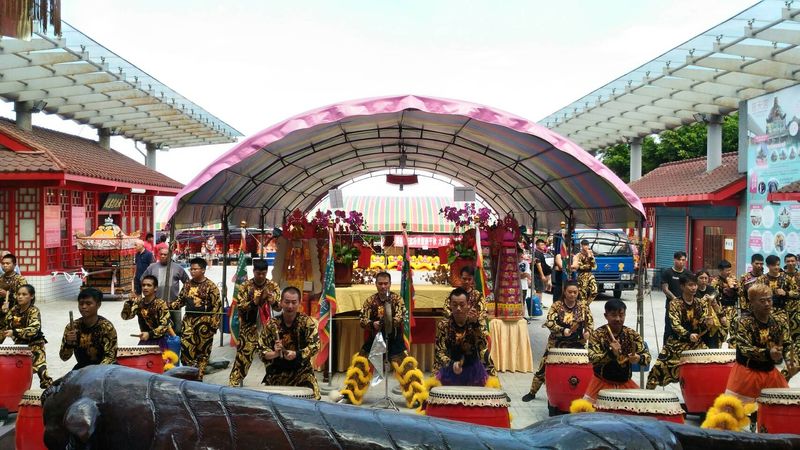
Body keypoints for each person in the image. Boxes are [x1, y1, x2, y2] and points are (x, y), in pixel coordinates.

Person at [339, 271, 423, 407]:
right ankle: (350, 394)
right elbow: (362, 320)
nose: (383, 286)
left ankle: (417, 397)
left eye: (386, 283)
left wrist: (389, 322)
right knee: (360, 364)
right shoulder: (370, 301)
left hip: (394, 338)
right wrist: (372, 324)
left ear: (390, 284)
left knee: (406, 367)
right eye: (380, 284)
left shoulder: (397, 300)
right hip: (375, 338)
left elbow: (401, 317)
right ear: (376, 284)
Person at [725, 284, 798, 404]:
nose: (767, 304)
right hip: (747, 372)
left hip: (770, 372)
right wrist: (769, 353)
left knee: (781, 408)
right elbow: (745, 348)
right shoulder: (743, 322)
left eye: (769, 300)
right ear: (752, 303)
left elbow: (787, 344)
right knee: (733, 410)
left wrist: (791, 362)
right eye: (762, 301)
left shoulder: (779, 321)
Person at [523, 281, 593, 402]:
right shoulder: (557, 305)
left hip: (577, 343)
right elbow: (549, 322)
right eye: (570, 292)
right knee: (543, 367)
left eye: (575, 292)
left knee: (584, 367)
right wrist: (562, 330)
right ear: (564, 292)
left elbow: (590, 323)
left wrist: (588, 332)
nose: (572, 294)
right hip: (557, 342)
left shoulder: (583, 307)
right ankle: (532, 392)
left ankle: (582, 393)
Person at [646, 273, 711, 389]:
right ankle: (648, 395)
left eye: (695, 285)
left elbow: (702, 322)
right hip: (676, 344)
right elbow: (675, 325)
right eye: (690, 285)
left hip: (696, 344)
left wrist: (707, 323)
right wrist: (688, 334)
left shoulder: (700, 303)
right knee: (656, 372)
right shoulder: (674, 304)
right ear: (682, 286)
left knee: (710, 364)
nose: (694, 288)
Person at [584, 299, 651, 403]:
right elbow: (592, 358)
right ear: (606, 316)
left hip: (625, 383)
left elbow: (647, 357)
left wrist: (638, 358)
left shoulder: (632, 334)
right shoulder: (597, 335)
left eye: (621, 315)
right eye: (614, 315)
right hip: (601, 383)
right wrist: (611, 354)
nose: (618, 319)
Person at [259, 286, 321, 399]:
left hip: (301, 371)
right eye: (287, 302)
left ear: (299, 303)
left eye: (294, 302)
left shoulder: (306, 322)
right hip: (277, 372)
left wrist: (297, 354)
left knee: (313, 400)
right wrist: (274, 353)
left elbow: (315, 345)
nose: (290, 306)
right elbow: (261, 349)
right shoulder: (272, 324)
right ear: (281, 302)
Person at [229, 259, 280, 387]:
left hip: (267, 329)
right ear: (253, 271)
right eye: (258, 273)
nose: (261, 276)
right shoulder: (245, 286)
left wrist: (272, 301)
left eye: (263, 273)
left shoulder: (273, 286)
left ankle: (274, 387)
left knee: (272, 360)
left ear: (267, 272)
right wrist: (254, 302)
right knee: (242, 360)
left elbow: (279, 308)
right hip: (248, 329)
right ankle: (232, 387)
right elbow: (240, 307)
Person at [169, 257, 222, 380]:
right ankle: (188, 376)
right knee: (186, 349)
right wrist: (166, 305)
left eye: (195, 269)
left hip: (205, 324)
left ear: (203, 270)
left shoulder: (211, 286)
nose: (192, 271)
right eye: (191, 269)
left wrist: (213, 326)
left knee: (202, 353)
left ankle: (199, 378)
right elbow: (180, 301)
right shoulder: (187, 284)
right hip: (189, 322)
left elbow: (217, 307)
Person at [433, 288, 495, 386]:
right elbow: (439, 352)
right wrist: (452, 364)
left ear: (468, 305)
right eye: (455, 305)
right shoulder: (444, 325)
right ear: (450, 305)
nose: (458, 308)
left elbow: (483, 346)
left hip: (473, 368)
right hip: (451, 367)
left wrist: (475, 324)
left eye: (462, 305)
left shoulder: (476, 322)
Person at [1, 285, 52, 388]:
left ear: (31, 296)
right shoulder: (14, 309)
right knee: (17, 371)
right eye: (18, 294)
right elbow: (4, 324)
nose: (20, 297)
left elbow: (34, 329)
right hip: (19, 345)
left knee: (42, 372)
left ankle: (51, 393)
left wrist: (14, 332)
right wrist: (3, 312)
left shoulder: (34, 311)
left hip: (35, 345)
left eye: (24, 294)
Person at [59, 287, 118, 370]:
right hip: (82, 368)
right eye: (81, 303)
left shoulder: (106, 327)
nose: (84, 307)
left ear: (98, 305)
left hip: (104, 369)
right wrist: (68, 343)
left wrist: (93, 373)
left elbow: (110, 357)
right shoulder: (72, 327)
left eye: (88, 303)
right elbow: (64, 357)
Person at [142, 247, 190, 334]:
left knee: (177, 328)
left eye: (165, 254)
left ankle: (176, 342)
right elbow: (143, 280)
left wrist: (181, 298)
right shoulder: (152, 267)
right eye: (161, 254)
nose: (163, 256)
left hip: (174, 304)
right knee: (157, 327)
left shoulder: (178, 268)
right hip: (155, 304)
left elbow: (188, 283)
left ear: (170, 255)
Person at [121, 275, 171, 348]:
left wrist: (149, 334)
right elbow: (125, 317)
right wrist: (129, 303)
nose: (145, 287)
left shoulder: (161, 304)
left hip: (160, 341)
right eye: (143, 285)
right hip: (145, 340)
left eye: (149, 285)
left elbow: (165, 326)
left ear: (155, 288)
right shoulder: (139, 303)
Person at [660, 251, 687, 343]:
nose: (681, 262)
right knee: (669, 328)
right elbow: (665, 289)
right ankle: (666, 348)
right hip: (671, 306)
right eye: (679, 260)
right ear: (674, 260)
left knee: (683, 328)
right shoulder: (667, 272)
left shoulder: (688, 273)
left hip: (685, 306)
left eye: (683, 260)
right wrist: (675, 299)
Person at [711, 260, 738, 345]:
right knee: (722, 333)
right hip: (722, 309)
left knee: (735, 331)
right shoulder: (715, 281)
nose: (729, 272)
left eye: (730, 270)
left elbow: (739, 292)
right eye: (727, 270)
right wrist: (720, 314)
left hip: (733, 308)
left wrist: (735, 287)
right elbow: (713, 298)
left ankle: (733, 350)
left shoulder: (733, 279)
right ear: (721, 270)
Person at [696, 269, 724, 348]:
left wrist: (722, 316)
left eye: (706, 278)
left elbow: (716, 303)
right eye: (701, 278)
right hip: (698, 321)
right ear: (696, 279)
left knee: (713, 343)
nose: (704, 280)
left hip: (712, 320)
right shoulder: (694, 290)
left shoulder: (711, 289)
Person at [0, 253, 26, 324]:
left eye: (8, 263)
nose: (5, 265)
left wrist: (7, 295)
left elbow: (25, 297)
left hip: (15, 312)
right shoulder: (1, 279)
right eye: (3, 263)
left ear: (14, 265)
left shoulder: (20, 279)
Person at [572, 239, 597, 305]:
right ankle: (583, 306)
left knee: (594, 291)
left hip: (590, 274)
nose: (586, 247)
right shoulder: (578, 255)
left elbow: (594, 266)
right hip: (582, 275)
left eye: (587, 245)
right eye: (584, 245)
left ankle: (586, 305)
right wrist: (588, 265)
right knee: (582, 294)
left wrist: (589, 256)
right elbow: (579, 266)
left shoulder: (591, 254)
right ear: (581, 246)